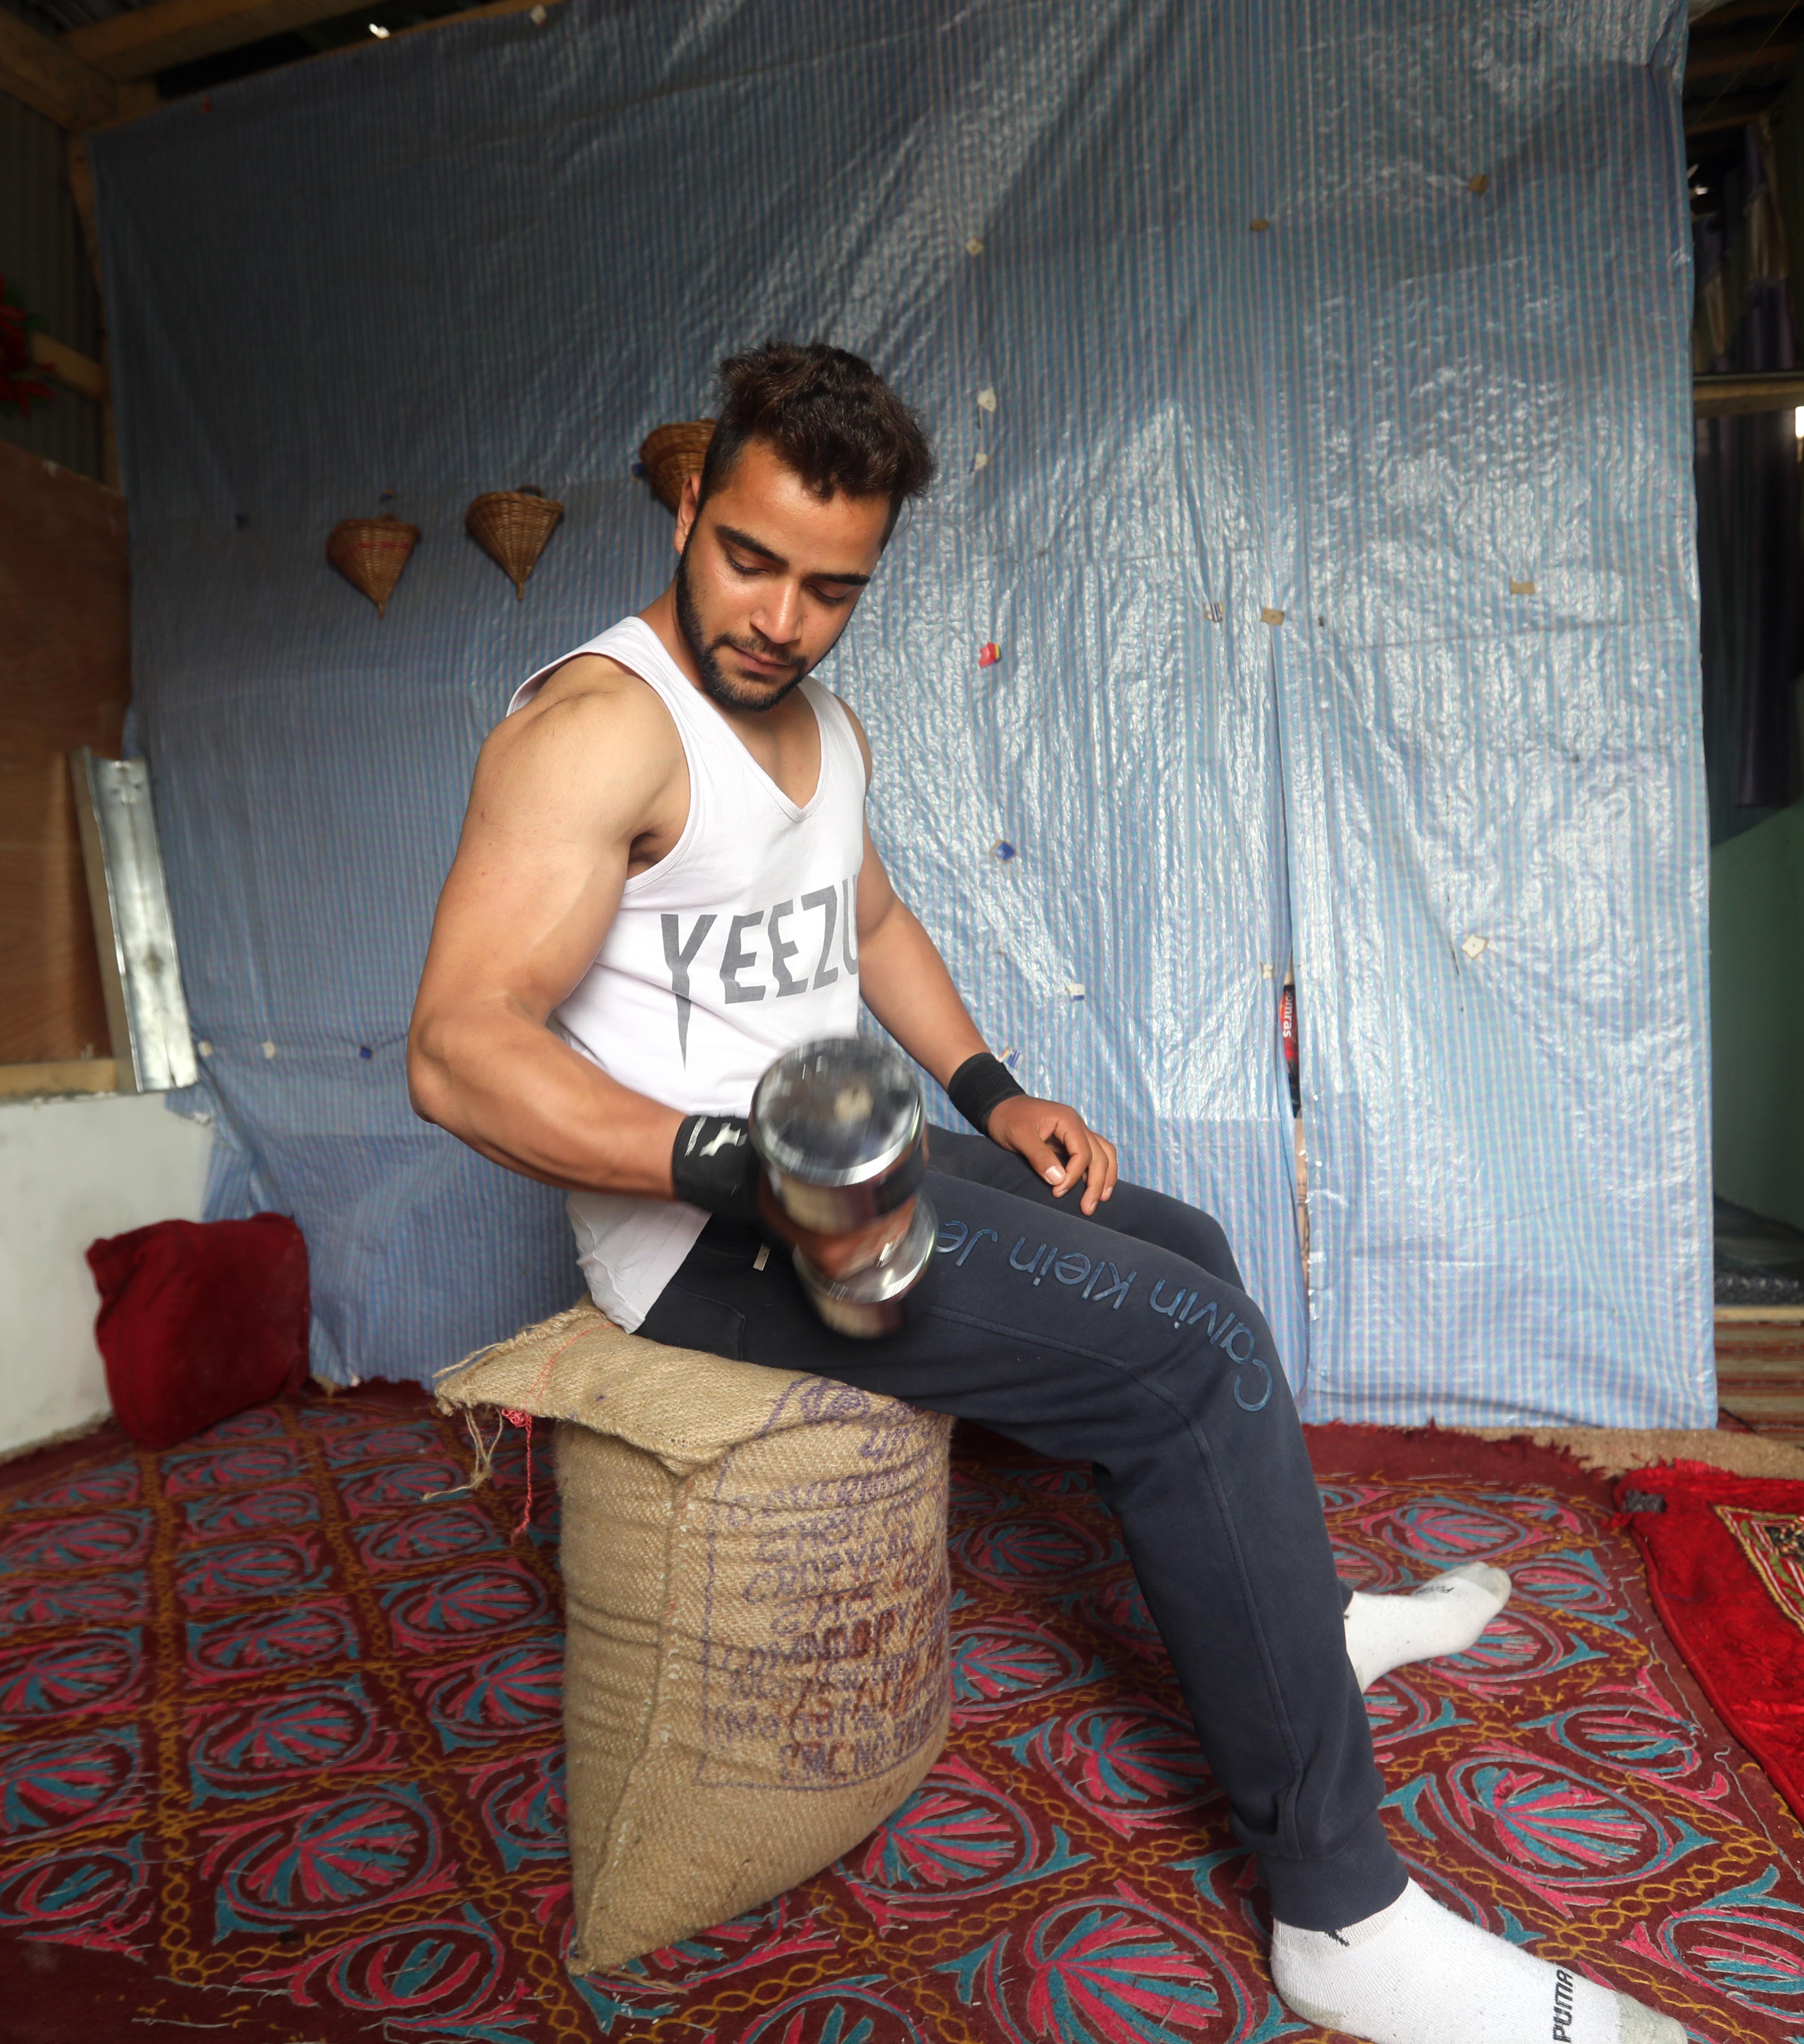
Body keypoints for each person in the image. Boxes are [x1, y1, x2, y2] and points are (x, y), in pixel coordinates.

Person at [407, 342, 1682, 2044]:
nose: (781, 617)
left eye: (830, 588)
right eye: (749, 558)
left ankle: (1302, 1618)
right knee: (1192, 1359)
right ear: (693, 500)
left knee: (1183, 1246)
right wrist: (742, 1172)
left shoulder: (825, 729)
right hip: (704, 1229)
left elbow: (865, 929)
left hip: (846, 1148)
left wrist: (1001, 1100)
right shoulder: (595, 731)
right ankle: (1343, 1915)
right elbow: (460, 1051)